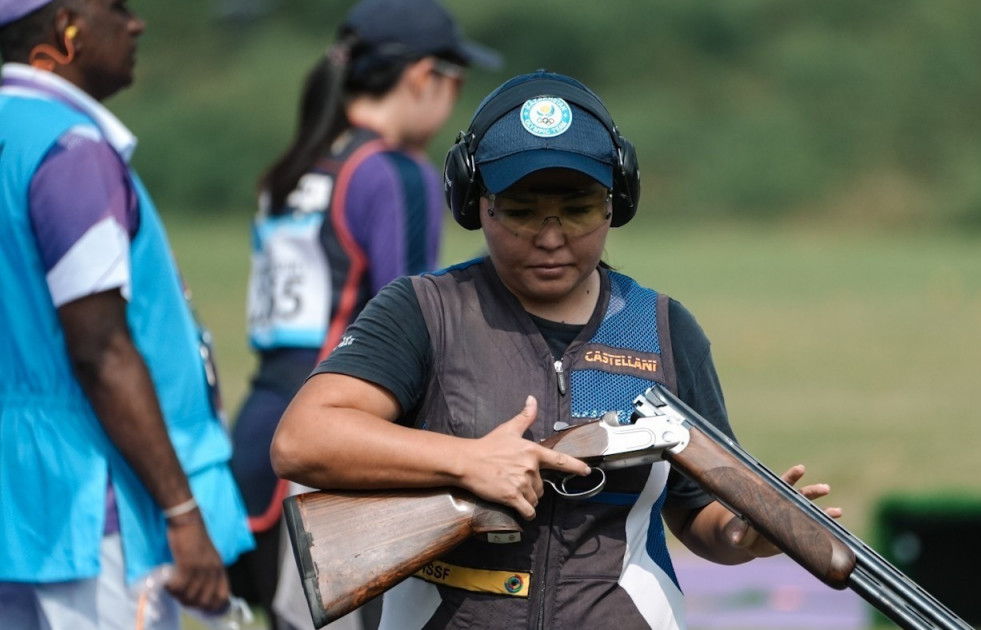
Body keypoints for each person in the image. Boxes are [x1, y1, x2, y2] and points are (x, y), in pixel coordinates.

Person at [270, 69, 843, 629]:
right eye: (521, 210)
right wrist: (469, 461)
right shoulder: (423, 310)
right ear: (476, 203)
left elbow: (699, 513)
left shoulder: (664, 328)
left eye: (579, 208)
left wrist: (745, 536)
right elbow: (302, 439)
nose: (550, 236)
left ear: (616, 202)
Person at [226, 0, 500, 627]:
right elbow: (413, 331)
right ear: (421, 76)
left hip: (257, 440)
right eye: (454, 81)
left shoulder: (294, 167)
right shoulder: (395, 173)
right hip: (335, 454)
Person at [0, 1, 255, 629]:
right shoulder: (70, 150)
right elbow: (100, 348)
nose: (135, 24)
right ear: (67, 26)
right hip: (89, 506)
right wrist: (182, 511)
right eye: (117, 8)